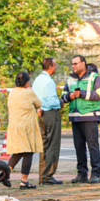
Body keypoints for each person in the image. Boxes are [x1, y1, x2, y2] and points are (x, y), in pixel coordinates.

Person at [61, 54, 100, 184]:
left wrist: (81, 94)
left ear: (83, 64)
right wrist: (69, 96)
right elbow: (63, 95)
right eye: (72, 64)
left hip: (89, 116)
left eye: (76, 63)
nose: (73, 66)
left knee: (93, 146)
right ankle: (82, 174)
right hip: (75, 117)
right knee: (79, 147)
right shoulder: (70, 79)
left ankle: (96, 174)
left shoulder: (95, 77)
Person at [6, 71, 43, 189]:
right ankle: (24, 181)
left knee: (18, 152)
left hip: (14, 126)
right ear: (27, 83)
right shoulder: (29, 93)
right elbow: (39, 104)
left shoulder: (11, 93)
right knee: (28, 152)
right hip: (26, 127)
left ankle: (4, 174)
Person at [32, 57, 63, 185]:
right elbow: (51, 101)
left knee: (44, 145)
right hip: (51, 113)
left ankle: (42, 175)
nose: (55, 68)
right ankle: (48, 176)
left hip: (41, 114)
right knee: (53, 145)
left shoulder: (37, 80)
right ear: (50, 67)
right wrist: (60, 102)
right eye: (55, 66)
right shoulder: (49, 82)